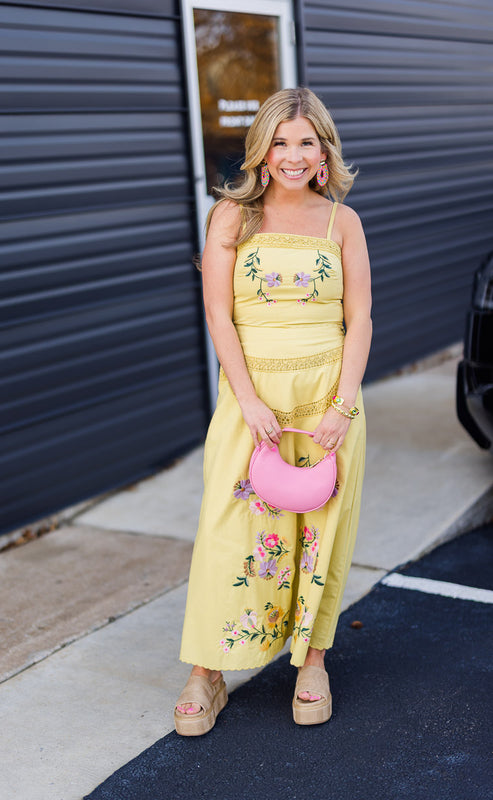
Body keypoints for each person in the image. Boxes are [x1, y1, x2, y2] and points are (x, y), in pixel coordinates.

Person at [174, 87, 372, 735]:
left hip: (326, 402)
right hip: (251, 400)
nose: (292, 155)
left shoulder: (341, 221)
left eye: (305, 142)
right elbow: (217, 314)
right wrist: (249, 398)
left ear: (323, 151)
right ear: (261, 150)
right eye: (279, 142)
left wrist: (342, 405)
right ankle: (207, 674)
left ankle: (311, 662)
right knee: (229, 532)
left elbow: (360, 317)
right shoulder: (232, 217)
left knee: (319, 537)